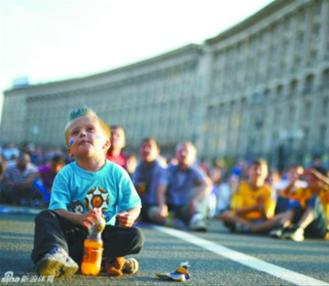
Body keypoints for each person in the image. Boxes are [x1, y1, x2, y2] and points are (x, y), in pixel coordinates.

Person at [31, 107, 144, 278]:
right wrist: (81, 219)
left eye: (90, 130)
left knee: (135, 237)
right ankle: (57, 254)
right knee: (45, 217)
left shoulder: (117, 173)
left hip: (101, 235)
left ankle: (101, 257)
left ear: (106, 144)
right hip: (71, 235)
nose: (82, 134)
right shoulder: (66, 174)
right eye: (75, 133)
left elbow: (134, 205)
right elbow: (57, 210)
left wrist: (130, 216)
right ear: (70, 150)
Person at [163, 141, 212, 231]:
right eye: (180, 151)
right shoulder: (169, 169)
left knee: (201, 191)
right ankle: (176, 220)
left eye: (186, 151)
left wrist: (195, 200)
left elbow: (207, 184)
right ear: (176, 154)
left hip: (187, 207)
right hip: (172, 207)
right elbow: (161, 188)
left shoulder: (195, 170)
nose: (183, 154)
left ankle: (197, 218)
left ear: (193, 156)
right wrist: (162, 205)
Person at [219, 159, 278, 233]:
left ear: (266, 173)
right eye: (255, 169)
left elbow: (267, 217)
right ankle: (253, 228)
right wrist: (255, 207)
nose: (258, 172)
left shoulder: (270, 190)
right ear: (248, 171)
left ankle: (251, 228)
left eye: (261, 169)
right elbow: (236, 210)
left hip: (260, 221)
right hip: (242, 220)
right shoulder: (240, 187)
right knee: (226, 214)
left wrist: (261, 208)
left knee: (279, 218)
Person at [132, 138, 167, 224]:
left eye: (150, 147)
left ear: (157, 151)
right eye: (143, 147)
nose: (146, 149)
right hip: (141, 205)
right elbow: (136, 189)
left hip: (155, 205)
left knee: (156, 214)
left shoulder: (161, 167)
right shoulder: (139, 166)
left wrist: (162, 207)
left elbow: (161, 189)